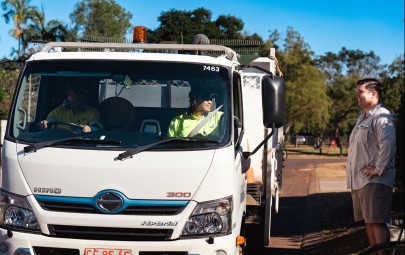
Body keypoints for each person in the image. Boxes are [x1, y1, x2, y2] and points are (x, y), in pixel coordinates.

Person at [346, 78, 396, 253]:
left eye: (360, 92)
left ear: (373, 94)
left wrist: (378, 169)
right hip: (361, 181)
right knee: (369, 222)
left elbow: (388, 145)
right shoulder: (364, 117)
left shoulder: (382, 117)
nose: (356, 96)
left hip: (375, 182)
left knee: (377, 222)